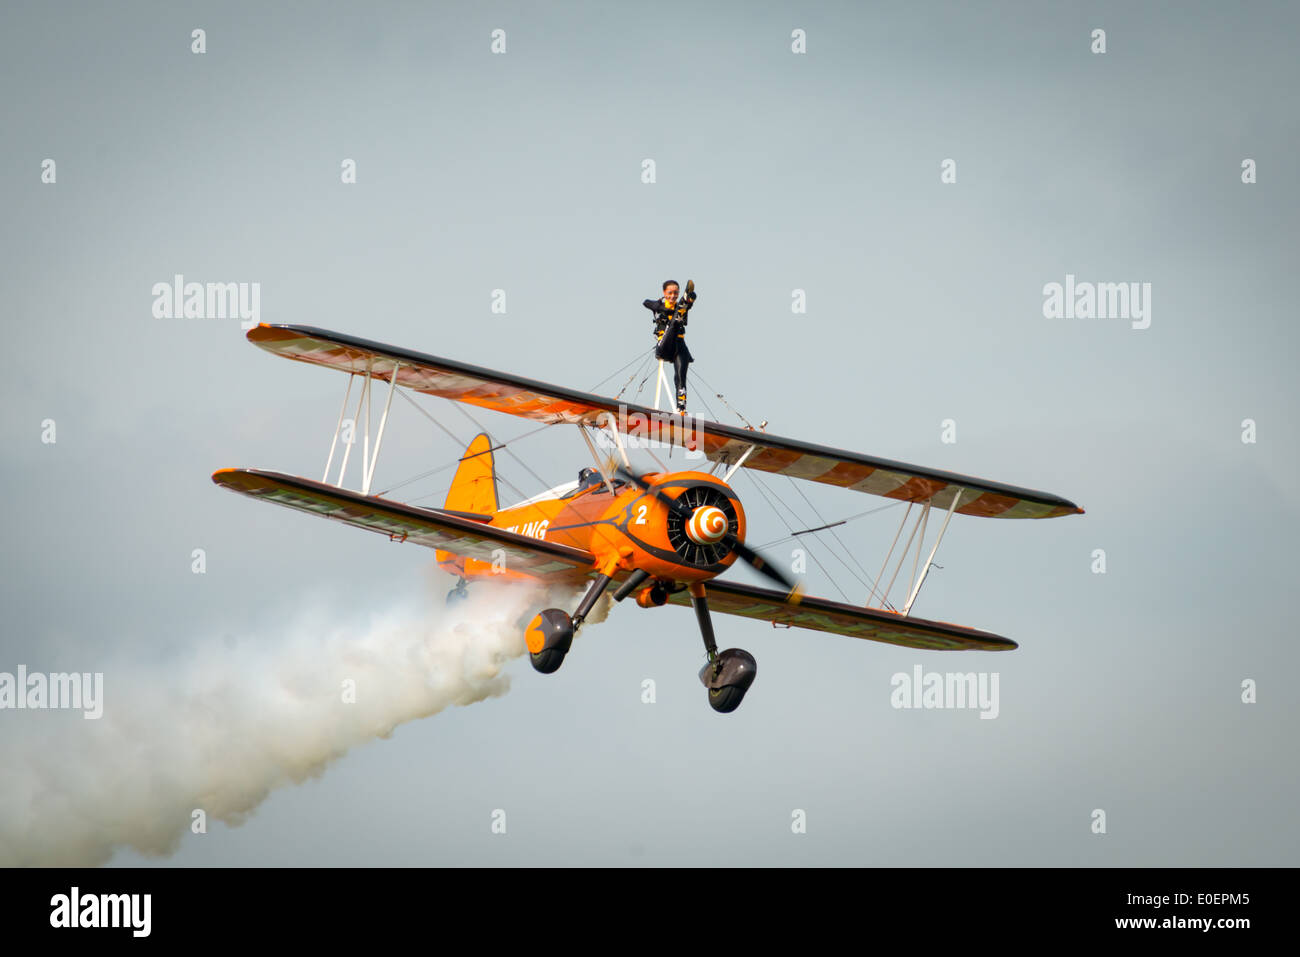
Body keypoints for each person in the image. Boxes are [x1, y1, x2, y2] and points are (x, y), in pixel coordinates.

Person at [642, 279, 697, 413]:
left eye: (676, 294)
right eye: (670, 293)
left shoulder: (681, 307)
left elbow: (692, 301)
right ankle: (681, 307)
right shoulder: (658, 304)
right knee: (674, 323)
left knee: (681, 375)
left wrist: (691, 299)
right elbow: (646, 302)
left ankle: (681, 409)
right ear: (664, 293)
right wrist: (663, 308)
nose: (672, 296)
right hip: (664, 345)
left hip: (679, 345)